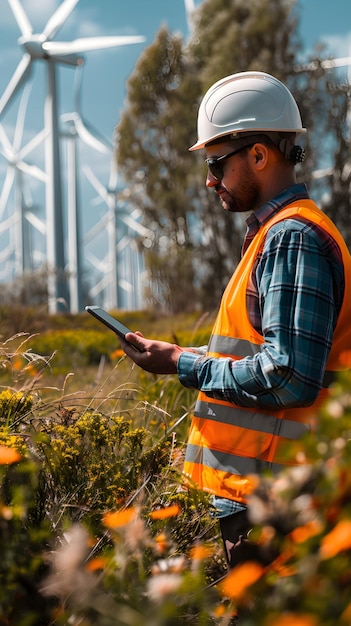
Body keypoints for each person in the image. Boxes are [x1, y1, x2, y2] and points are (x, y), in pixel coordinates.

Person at [119, 71, 351, 570]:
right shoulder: (277, 235)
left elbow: (288, 376)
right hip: (271, 493)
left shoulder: (293, 238)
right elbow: (264, 358)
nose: (209, 179)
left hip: (282, 500)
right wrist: (181, 358)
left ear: (260, 156)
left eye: (216, 163)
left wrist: (187, 365)